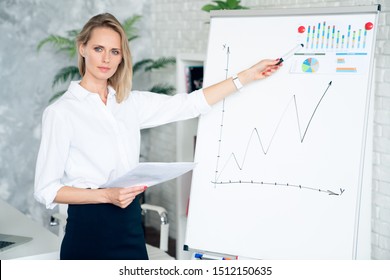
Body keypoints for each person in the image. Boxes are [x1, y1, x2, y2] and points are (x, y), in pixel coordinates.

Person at [34, 13, 281, 260]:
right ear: (83, 48)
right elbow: (46, 189)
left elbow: (190, 104)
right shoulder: (61, 113)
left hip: (129, 223)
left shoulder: (129, 103)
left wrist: (246, 77)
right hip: (89, 227)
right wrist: (105, 195)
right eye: (99, 48)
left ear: (122, 58)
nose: (106, 59)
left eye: (115, 52)